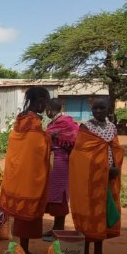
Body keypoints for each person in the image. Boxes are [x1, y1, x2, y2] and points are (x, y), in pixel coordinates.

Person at [69, 97, 125, 254]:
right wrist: (100, 170)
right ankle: (85, 252)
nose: (98, 111)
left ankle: (98, 253)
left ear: (109, 109)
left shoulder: (112, 127)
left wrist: (114, 168)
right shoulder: (86, 127)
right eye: (95, 109)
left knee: (103, 213)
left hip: (108, 178)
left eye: (102, 108)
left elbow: (115, 149)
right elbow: (80, 155)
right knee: (90, 212)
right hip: (90, 179)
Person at [0, 86, 52, 254]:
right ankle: (23, 252)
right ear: (41, 102)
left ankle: (23, 250)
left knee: (23, 217)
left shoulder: (21, 119)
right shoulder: (33, 121)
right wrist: (49, 138)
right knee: (26, 216)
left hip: (20, 173)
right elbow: (35, 146)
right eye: (45, 102)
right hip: (29, 175)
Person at [43, 99, 79, 241]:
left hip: (61, 161)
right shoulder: (52, 123)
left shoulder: (66, 122)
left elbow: (75, 139)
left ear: (50, 109)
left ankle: (59, 229)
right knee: (53, 194)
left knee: (60, 195)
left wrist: (55, 138)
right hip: (52, 160)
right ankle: (55, 229)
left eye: (47, 109)